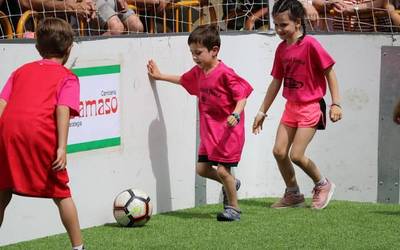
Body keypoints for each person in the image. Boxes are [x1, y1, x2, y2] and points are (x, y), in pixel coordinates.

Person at [147, 24, 253, 221]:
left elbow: (242, 96)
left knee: (222, 169)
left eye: (198, 53)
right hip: (209, 132)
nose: (194, 57)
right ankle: (232, 183)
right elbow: (183, 80)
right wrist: (160, 76)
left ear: (214, 51)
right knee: (202, 169)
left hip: (228, 132)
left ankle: (234, 209)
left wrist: (236, 115)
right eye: (192, 53)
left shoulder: (225, 73)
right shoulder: (198, 72)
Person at [0, 18, 84, 250]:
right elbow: (62, 109)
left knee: (2, 188)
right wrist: (62, 147)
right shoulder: (67, 77)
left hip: (8, 133)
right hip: (39, 134)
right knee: (62, 193)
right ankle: (78, 247)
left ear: (37, 48)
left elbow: (2, 103)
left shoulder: (19, 71)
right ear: (69, 49)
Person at [252, 0, 342, 210]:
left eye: (284, 25)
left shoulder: (310, 44)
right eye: (276, 25)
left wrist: (336, 104)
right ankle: (293, 194)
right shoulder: (281, 50)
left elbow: (330, 72)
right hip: (291, 107)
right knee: (279, 152)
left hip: (311, 107)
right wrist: (261, 112)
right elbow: (276, 82)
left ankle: (323, 184)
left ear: (298, 23)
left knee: (296, 155)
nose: (279, 30)